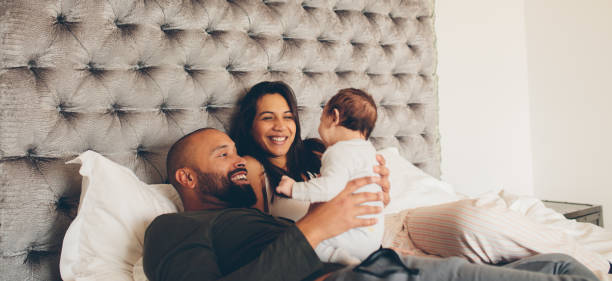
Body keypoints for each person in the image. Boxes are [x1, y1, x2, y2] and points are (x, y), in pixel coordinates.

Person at [229, 81, 610, 277]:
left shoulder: (320, 151)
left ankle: (596, 264)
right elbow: (263, 235)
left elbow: (374, 190)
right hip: (362, 253)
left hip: (397, 222)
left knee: (478, 219)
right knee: (476, 270)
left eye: (287, 116)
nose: (281, 127)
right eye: (267, 117)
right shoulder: (255, 169)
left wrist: (382, 187)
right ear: (250, 124)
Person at [142, 127, 600, 281]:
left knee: (558, 264)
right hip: (369, 275)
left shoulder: (253, 218)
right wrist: (316, 227)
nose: (239, 160)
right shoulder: (170, 228)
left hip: (378, 260)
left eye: (237, 152)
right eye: (223, 155)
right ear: (186, 177)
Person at [275, 88, 383, 264]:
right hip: (373, 236)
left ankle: (344, 261)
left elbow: (328, 190)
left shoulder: (338, 151)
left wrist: (294, 188)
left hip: (351, 235)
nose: (319, 128)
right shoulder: (370, 152)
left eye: (321, 120)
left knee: (308, 244)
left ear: (334, 117)